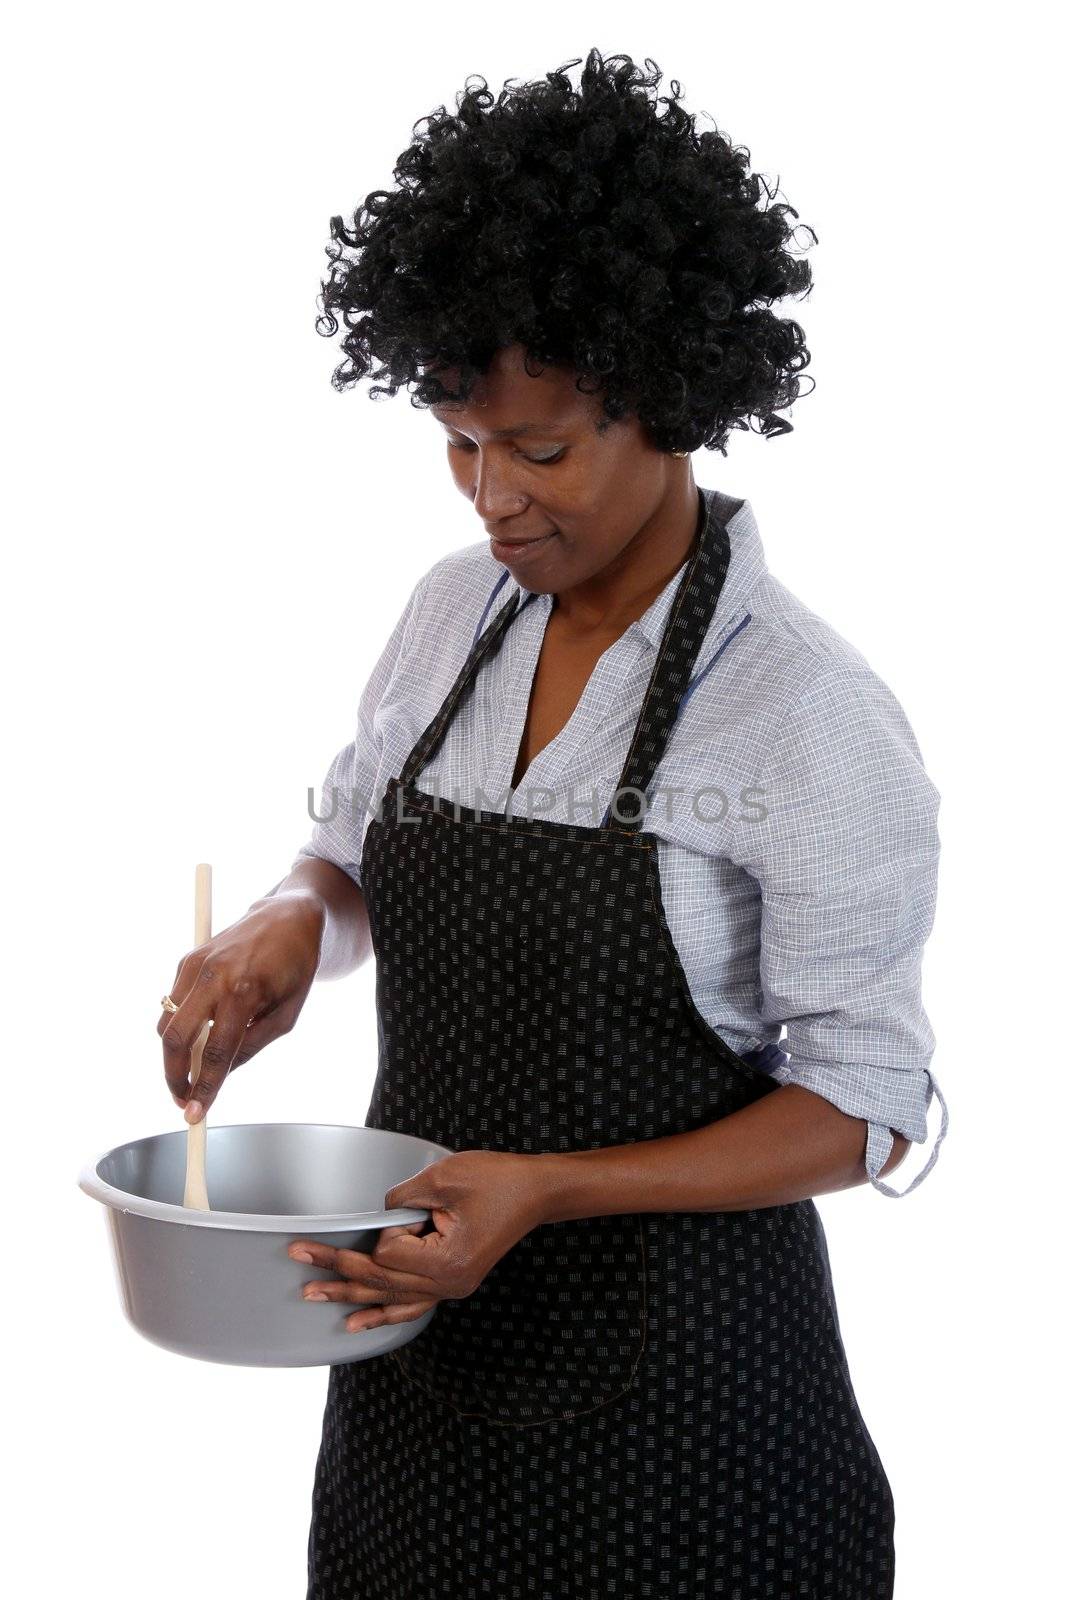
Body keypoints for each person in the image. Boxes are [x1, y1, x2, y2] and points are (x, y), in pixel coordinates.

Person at [157, 50, 948, 1600]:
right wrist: (286, 920)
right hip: (416, 1367)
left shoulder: (807, 712)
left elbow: (872, 1105)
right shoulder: (456, 614)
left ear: (669, 396)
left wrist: (555, 1184)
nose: (489, 499)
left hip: (697, 1412)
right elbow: (357, 850)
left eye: (540, 449)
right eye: (458, 439)